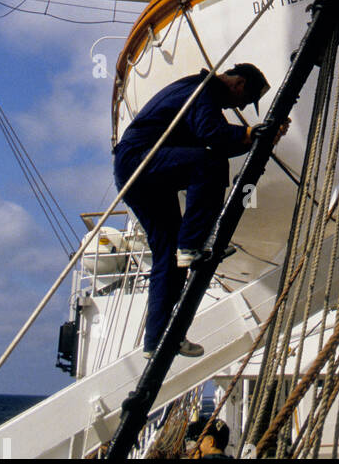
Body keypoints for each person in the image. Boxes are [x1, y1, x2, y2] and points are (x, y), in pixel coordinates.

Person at [113, 64, 270, 358]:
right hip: (140, 161)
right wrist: (248, 134)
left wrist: (251, 137)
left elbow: (215, 139)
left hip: (136, 170)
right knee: (208, 165)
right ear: (238, 84)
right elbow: (212, 134)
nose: (241, 106)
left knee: (168, 257)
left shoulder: (201, 92)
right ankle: (192, 244)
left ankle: (157, 340)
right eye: (245, 100)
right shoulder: (205, 90)